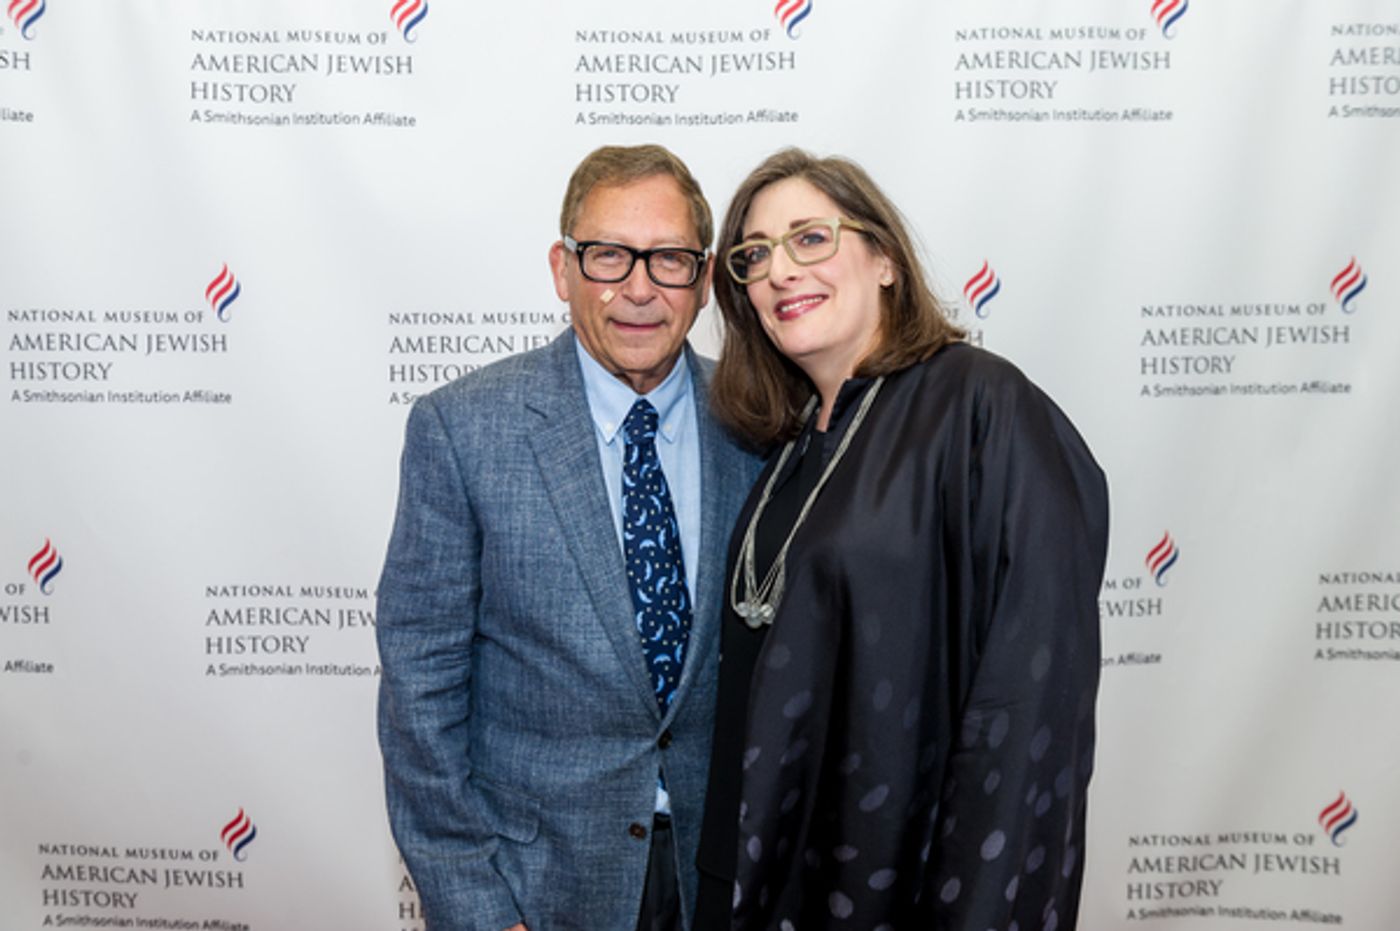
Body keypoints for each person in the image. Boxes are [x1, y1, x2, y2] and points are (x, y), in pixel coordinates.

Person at [693, 149, 1109, 929]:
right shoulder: (789, 444)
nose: (780, 270)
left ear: (884, 258)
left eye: (810, 238)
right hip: (754, 880)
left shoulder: (982, 409)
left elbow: (1026, 711)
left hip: (896, 890)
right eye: (755, 254)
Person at [376, 144, 759, 931]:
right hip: (535, 889)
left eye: (671, 259)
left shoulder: (759, 422)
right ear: (563, 268)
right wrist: (481, 912)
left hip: (720, 880)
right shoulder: (464, 429)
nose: (641, 289)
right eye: (610, 256)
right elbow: (419, 693)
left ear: (707, 275)